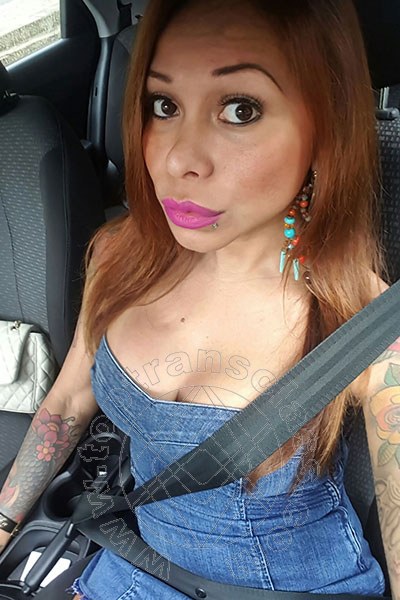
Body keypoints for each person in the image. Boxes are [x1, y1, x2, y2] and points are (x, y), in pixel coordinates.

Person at [0, 0, 399, 598]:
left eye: (240, 109)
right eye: (164, 106)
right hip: (131, 568)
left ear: (325, 128)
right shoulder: (119, 258)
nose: (177, 159)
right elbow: (68, 402)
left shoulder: (364, 321)